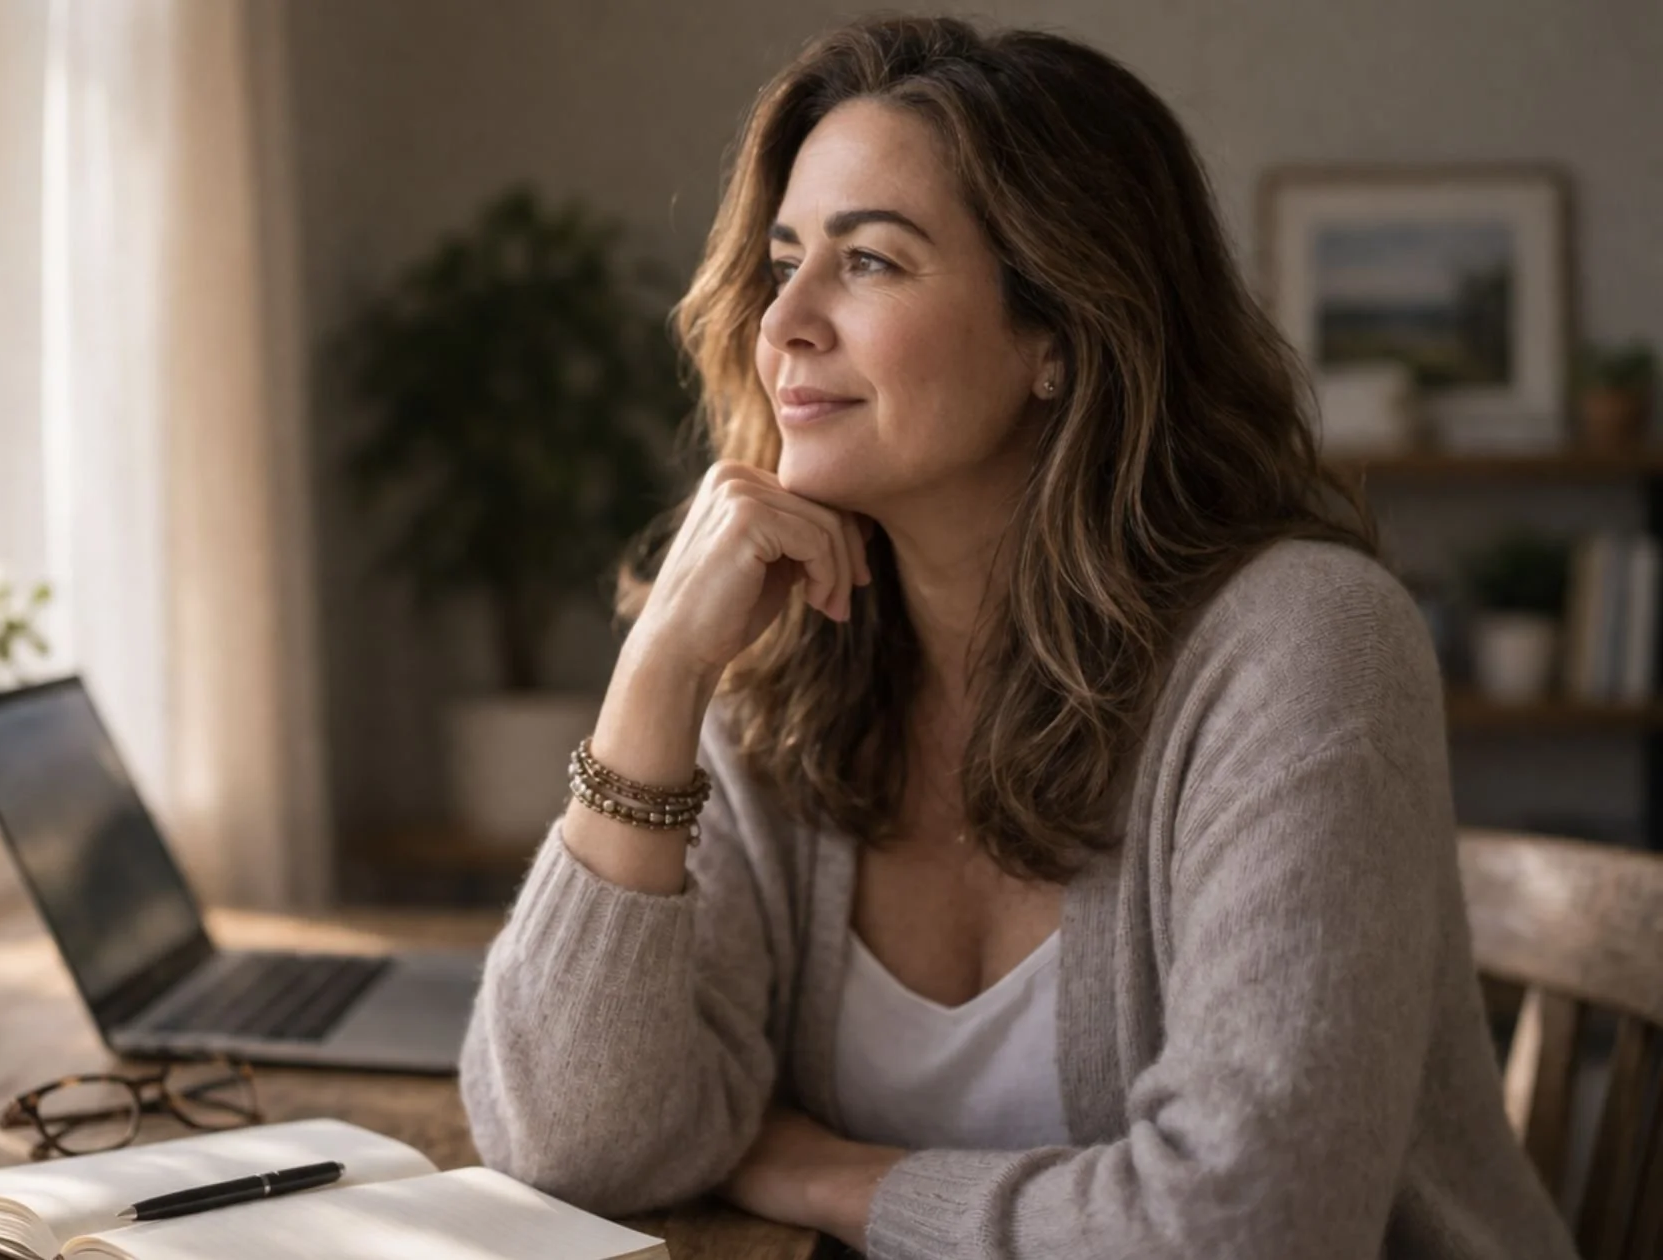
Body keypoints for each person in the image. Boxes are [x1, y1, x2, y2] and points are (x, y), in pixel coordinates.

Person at [457, 15, 1576, 1259]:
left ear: (1057, 330)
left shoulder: (1302, 648)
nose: (784, 326)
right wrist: (656, 677)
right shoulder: (779, 652)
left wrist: (826, 1177)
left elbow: (1247, 1225)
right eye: (782, 264)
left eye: (868, 263)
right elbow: (570, 1147)